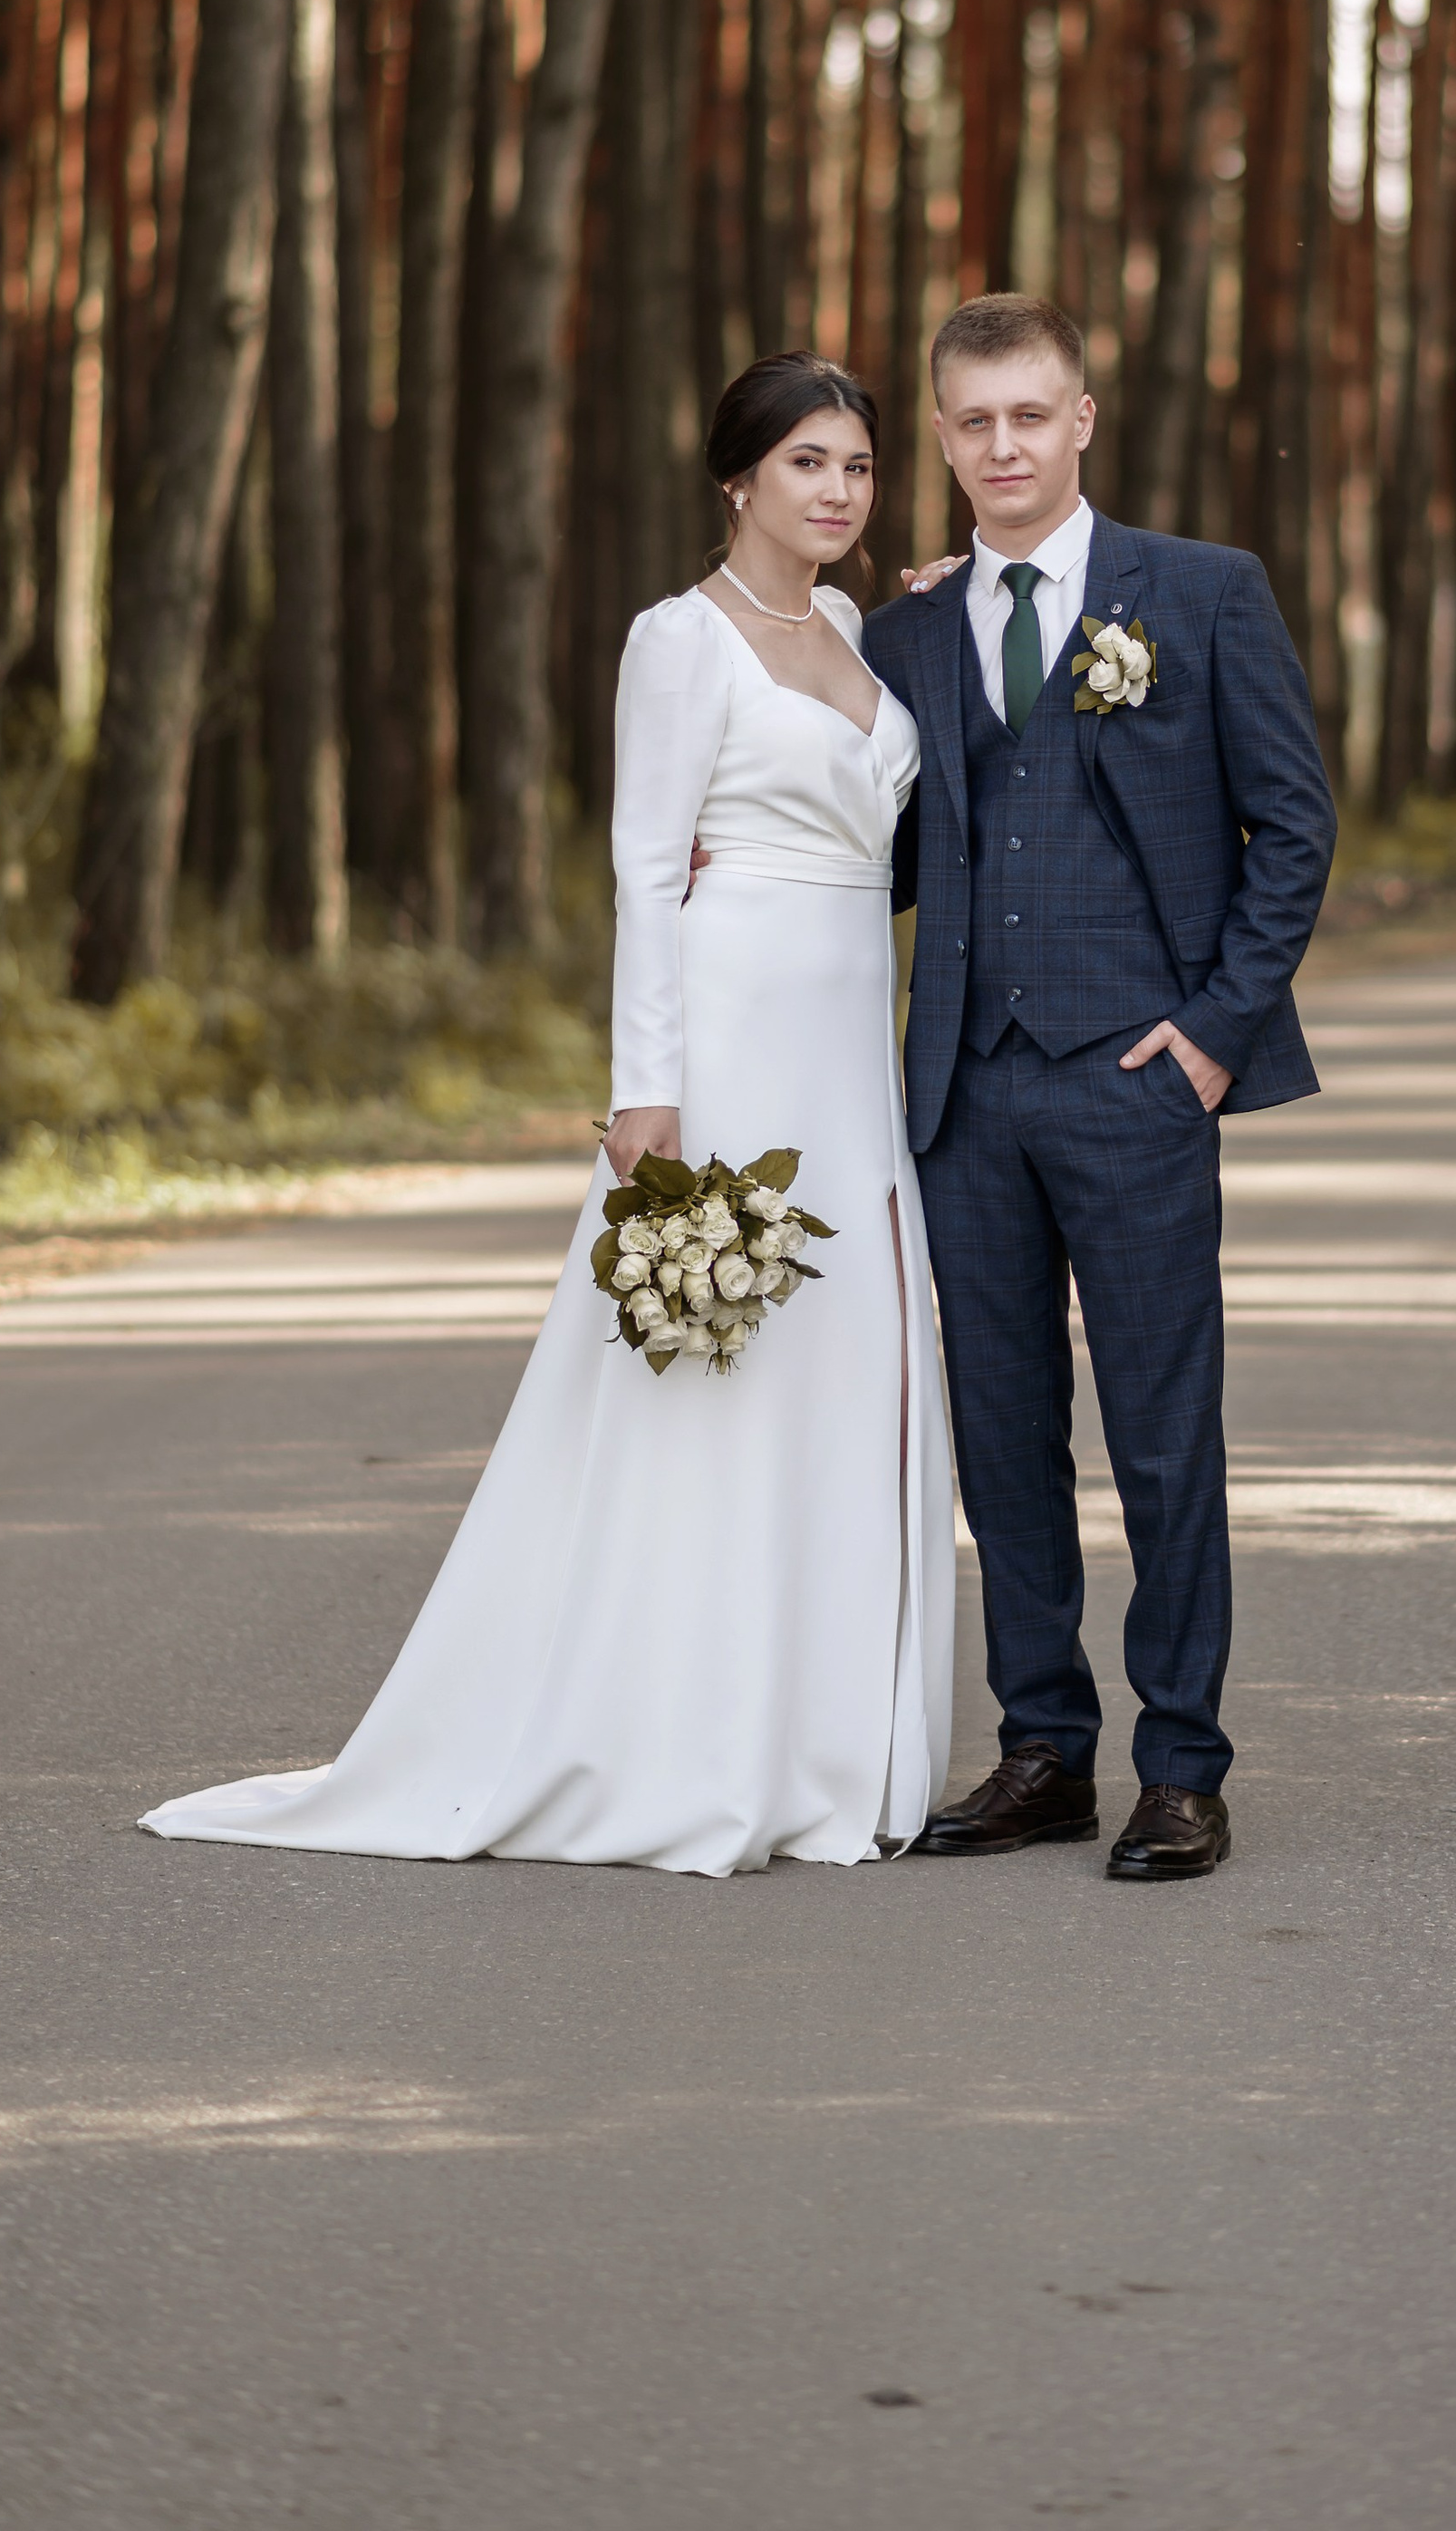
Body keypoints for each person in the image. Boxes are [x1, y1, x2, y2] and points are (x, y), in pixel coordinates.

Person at [141, 354, 952, 1878]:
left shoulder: (854, 627)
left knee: (841, 1364)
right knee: (709, 1371)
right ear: (738, 481)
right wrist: (650, 1087)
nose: (837, 490)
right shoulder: (680, 639)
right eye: (806, 464)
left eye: (854, 464)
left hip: (851, 1038)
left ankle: (827, 1734)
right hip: (727, 1038)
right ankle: (681, 1734)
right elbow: (647, 866)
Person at [861, 295, 1336, 1883]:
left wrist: (1210, 1033)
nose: (1003, 446)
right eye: (972, 422)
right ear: (940, 439)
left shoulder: (1198, 596)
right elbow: (880, 853)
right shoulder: (908, 631)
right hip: (965, 1098)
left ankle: (1181, 1765)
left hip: (1138, 1088)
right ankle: (1041, 1749)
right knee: (1001, 1435)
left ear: (1081, 423)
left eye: (1030, 416)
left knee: (1159, 1432)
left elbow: (1295, 827)